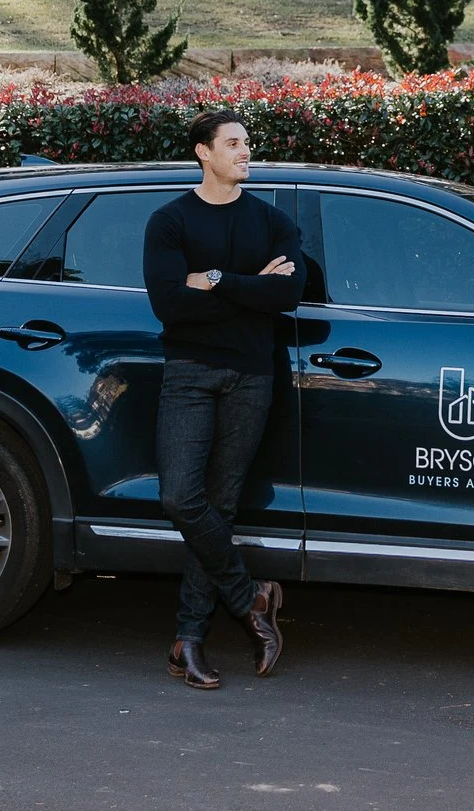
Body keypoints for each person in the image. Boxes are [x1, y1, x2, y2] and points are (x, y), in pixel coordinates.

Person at [143, 107, 305, 690]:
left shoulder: (271, 220)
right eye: (233, 143)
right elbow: (168, 304)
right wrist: (252, 287)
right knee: (180, 497)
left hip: (252, 376)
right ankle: (250, 597)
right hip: (189, 372)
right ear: (203, 152)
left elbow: (289, 292)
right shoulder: (170, 221)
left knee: (220, 505)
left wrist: (214, 280)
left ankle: (187, 641)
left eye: (247, 143)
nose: (245, 152)